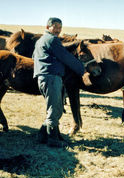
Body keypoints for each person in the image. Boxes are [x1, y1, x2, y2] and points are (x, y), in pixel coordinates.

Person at [33, 17, 85, 147]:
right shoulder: (52, 40)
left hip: (44, 77)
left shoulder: (40, 41)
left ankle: (42, 135)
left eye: (60, 28)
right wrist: (81, 68)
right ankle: (53, 140)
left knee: (55, 108)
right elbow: (65, 57)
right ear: (47, 27)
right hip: (51, 77)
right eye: (55, 27)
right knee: (54, 109)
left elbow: (34, 57)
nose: (58, 30)